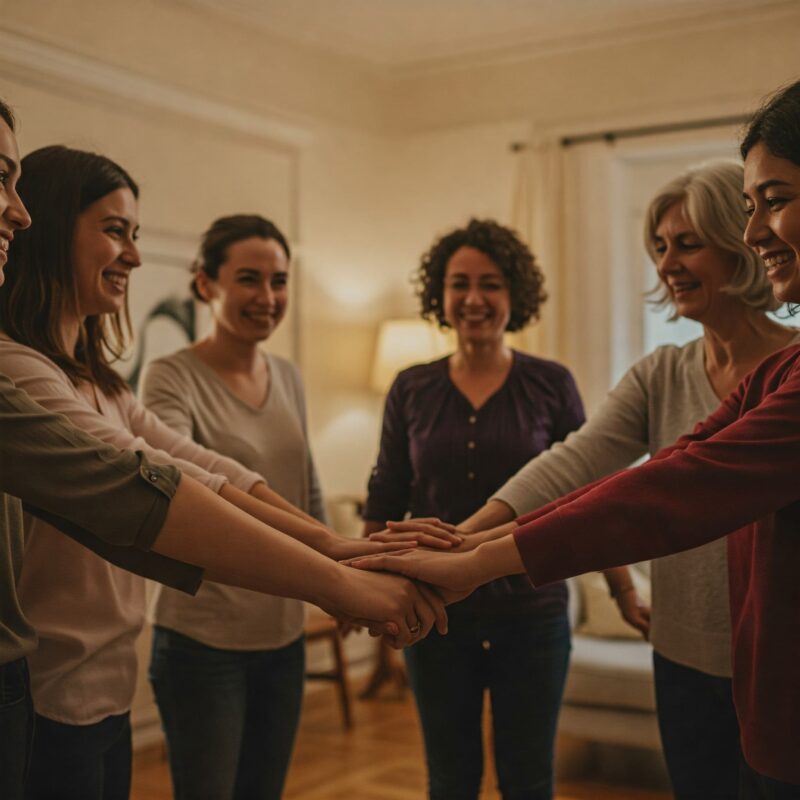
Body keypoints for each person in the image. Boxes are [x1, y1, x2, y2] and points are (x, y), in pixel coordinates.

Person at [349, 81, 800, 798]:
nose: (668, 262)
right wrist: (463, 545)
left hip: (771, 658)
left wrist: (473, 559)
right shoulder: (672, 373)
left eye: (688, 243)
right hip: (686, 650)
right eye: (659, 246)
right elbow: (586, 466)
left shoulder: (786, 370)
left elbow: (668, 492)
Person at [0, 98, 444, 800]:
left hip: (103, 688)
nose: (136, 255)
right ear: (52, 231)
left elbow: (213, 470)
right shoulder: (19, 369)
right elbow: (154, 483)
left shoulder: (104, 384)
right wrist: (346, 579)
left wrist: (342, 551)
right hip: (53, 695)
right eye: (116, 231)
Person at [362, 219, 585, 800]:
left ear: (516, 295)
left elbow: (586, 491)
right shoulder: (410, 388)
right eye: (459, 284)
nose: (473, 299)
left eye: (490, 284)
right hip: (434, 615)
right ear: (440, 295)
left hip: (532, 613)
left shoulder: (552, 384)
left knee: (528, 779)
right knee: (449, 778)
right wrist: (358, 589)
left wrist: (625, 591)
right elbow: (386, 495)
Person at [139, 215, 320, 799]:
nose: (267, 298)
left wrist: (343, 575)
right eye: (249, 279)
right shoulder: (170, 376)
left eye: (279, 281)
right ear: (204, 285)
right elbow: (184, 482)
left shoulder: (287, 375)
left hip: (283, 634)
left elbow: (305, 489)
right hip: (202, 641)